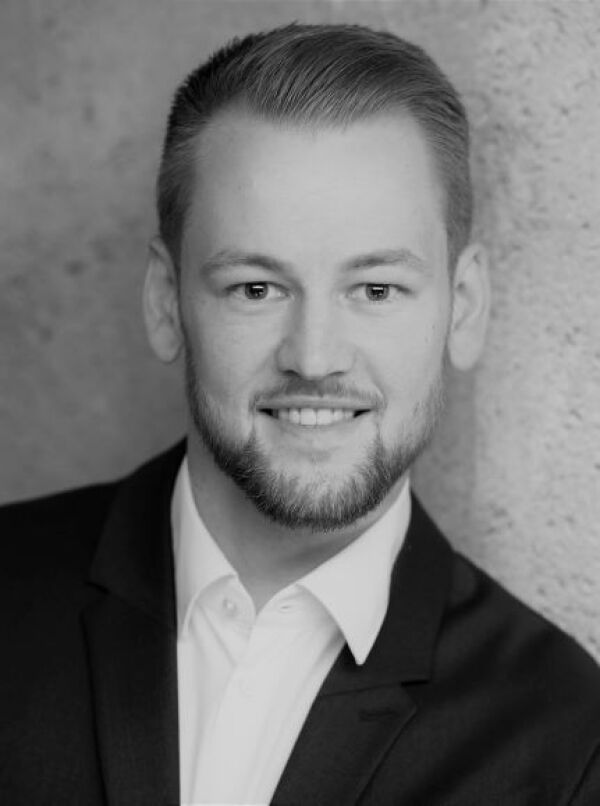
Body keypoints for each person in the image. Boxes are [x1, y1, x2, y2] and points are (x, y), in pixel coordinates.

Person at [1, 22, 599, 806]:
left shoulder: (565, 742)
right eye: (256, 288)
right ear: (165, 302)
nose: (315, 358)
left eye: (376, 289)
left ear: (464, 308)